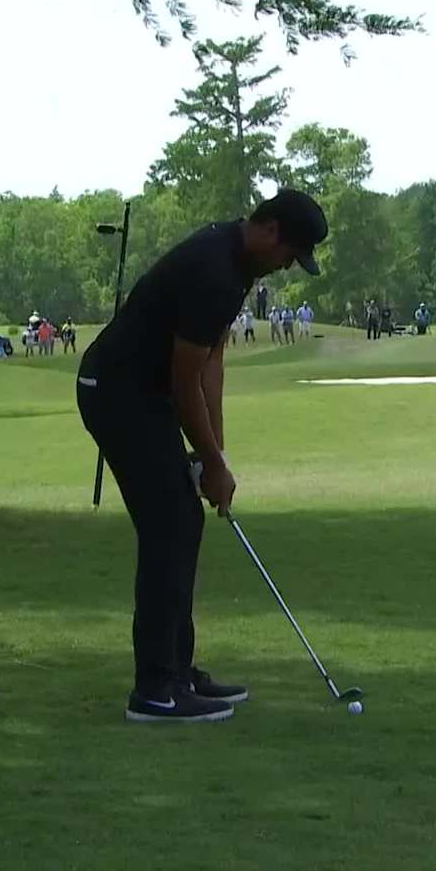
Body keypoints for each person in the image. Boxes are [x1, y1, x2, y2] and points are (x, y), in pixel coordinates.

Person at [76, 188, 328, 723]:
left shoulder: (237, 269)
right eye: (290, 254)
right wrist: (211, 463)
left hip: (145, 395)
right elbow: (185, 378)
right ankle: (153, 690)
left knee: (183, 522)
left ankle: (176, 671)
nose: (287, 267)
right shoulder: (213, 271)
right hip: (116, 392)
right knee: (170, 524)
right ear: (271, 231)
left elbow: (212, 365)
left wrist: (215, 452)